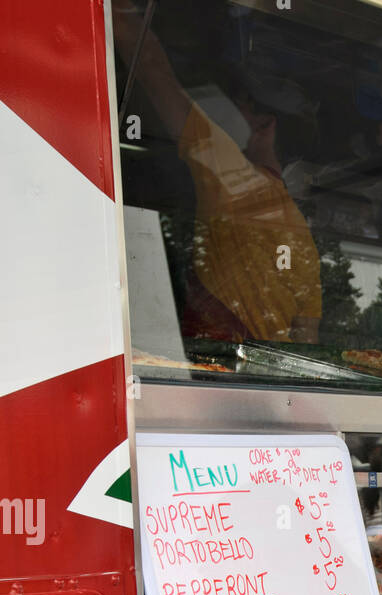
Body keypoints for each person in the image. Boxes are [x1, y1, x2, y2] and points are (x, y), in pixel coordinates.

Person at [111, 1, 321, 344]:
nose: (232, 106)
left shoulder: (237, 176)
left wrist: (119, 13)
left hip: (206, 366)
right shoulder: (302, 236)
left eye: (242, 103)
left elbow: (151, 69)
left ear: (265, 127)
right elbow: (306, 337)